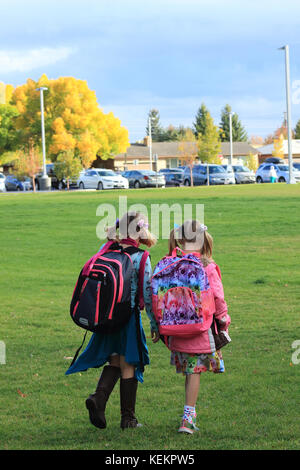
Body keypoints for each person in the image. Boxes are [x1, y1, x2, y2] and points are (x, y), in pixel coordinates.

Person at [66, 211, 159, 429]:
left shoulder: (108, 250)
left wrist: (110, 239)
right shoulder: (141, 257)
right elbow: (148, 294)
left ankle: (98, 399)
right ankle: (128, 419)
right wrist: (155, 324)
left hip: (106, 317)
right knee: (129, 364)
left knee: (115, 360)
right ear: (139, 231)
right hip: (128, 318)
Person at [166, 220, 231, 434]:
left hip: (176, 329)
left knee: (190, 371)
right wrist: (224, 320)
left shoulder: (171, 262)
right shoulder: (208, 266)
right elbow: (218, 298)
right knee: (194, 372)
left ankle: (189, 411)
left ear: (181, 239)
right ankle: (188, 419)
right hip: (200, 329)